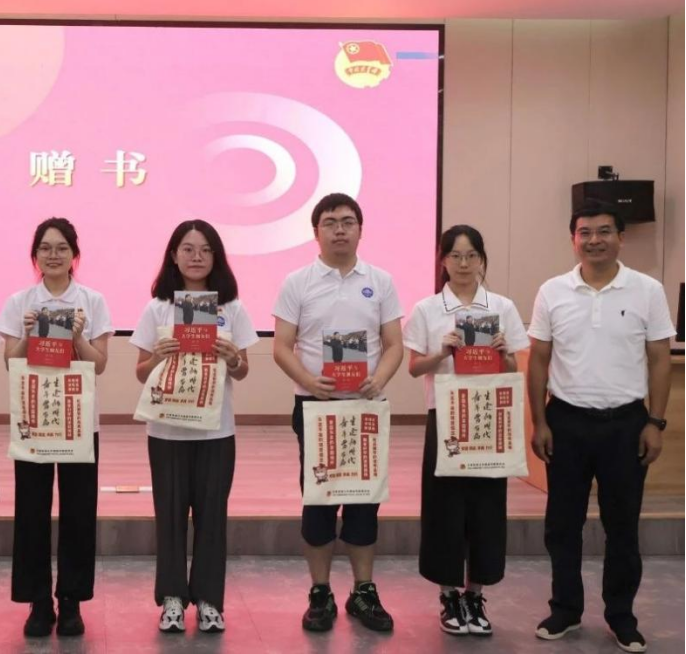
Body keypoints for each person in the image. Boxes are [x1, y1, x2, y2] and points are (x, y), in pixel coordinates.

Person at [528, 201, 673, 654]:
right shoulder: (552, 291)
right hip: (566, 422)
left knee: (622, 526)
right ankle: (565, 609)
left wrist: (655, 422)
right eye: (585, 232)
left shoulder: (647, 290)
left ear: (620, 238)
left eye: (604, 231)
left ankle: (621, 616)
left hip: (626, 425)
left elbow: (659, 359)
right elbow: (539, 360)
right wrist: (540, 421)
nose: (595, 240)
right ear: (573, 240)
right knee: (562, 525)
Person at [272, 192, 404, 634]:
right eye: (330, 222)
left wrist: (379, 379)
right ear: (316, 232)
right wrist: (309, 382)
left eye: (348, 221)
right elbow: (281, 346)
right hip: (316, 407)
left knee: (365, 503)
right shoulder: (297, 282)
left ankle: (363, 591)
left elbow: (394, 344)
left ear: (360, 229)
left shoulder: (380, 281)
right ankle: (321, 591)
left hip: (365, 407)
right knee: (319, 503)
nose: (340, 230)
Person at [130, 220, 258, 634]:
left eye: (205, 250)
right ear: (174, 255)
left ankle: (208, 600)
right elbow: (140, 372)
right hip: (166, 431)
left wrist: (233, 357)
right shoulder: (158, 307)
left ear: (216, 257)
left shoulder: (231, 308)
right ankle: (171, 598)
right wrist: (158, 356)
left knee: (212, 516)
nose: (196, 257)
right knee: (169, 516)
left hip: (216, 431)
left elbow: (242, 370)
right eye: (188, 249)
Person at [403, 225, 529, 636]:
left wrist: (504, 355)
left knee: (487, 507)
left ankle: (476, 594)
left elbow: (513, 368)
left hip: (488, 415)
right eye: (455, 256)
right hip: (446, 415)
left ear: (481, 260)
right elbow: (414, 368)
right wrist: (442, 351)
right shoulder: (427, 308)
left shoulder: (502, 307)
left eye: (471, 255)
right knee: (444, 508)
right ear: (442, 261)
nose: (463, 263)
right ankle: (449, 595)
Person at [0, 217, 114, 638]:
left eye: (62, 248)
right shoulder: (20, 302)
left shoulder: (92, 301)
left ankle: (71, 601)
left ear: (74, 254)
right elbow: (10, 361)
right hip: (34, 416)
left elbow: (99, 364)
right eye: (45, 248)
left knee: (79, 510)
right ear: (35, 255)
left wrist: (78, 338)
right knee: (31, 510)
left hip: (78, 418)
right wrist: (27, 335)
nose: (53, 255)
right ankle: (38, 601)